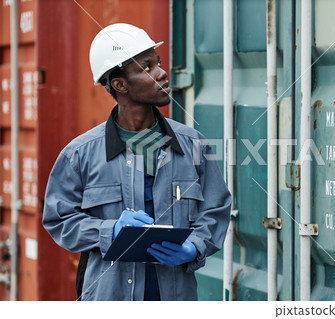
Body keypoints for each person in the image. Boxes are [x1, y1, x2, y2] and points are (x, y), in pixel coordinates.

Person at [42, 23, 231, 301]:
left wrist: (194, 246)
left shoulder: (193, 144)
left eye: (158, 63)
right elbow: (59, 219)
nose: (162, 73)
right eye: (147, 67)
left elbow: (216, 210)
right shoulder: (80, 154)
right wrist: (109, 230)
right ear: (120, 84)